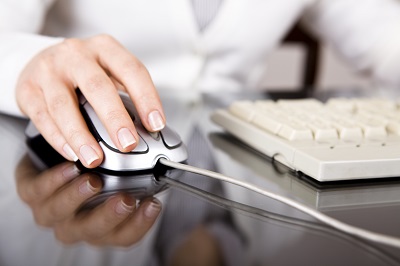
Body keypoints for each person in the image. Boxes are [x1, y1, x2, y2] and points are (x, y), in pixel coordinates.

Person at [2, 0, 400, 248]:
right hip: (74, 147)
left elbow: (385, 39)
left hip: (231, 145)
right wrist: (29, 67)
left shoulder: (286, 231)